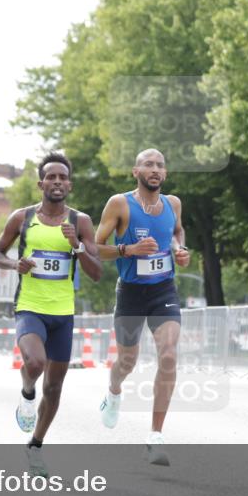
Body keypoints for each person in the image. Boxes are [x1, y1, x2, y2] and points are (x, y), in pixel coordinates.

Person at [0, 152, 102, 476]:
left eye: (62, 177)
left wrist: (78, 247)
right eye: (50, 177)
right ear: (41, 183)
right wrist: (15, 264)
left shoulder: (80, 222)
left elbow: (96, 273)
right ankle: (27, 391)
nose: (57, 182)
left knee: (54, 388)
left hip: (63, 313)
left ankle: (36, 445)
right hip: (29, 307)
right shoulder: (22, 218)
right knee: (35, 363)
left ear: (69, 184)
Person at [94, 148, 191, 466]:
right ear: (136, 171)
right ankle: (113, 391)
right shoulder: (120, 204)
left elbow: (177, 231)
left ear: (165, 173)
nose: (155, 169)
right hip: (131, 293)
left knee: (168, 354)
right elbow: (96, 247)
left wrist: (180, 249)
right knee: (127, 361)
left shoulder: (172, 204)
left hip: (163, 289)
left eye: (160, 165)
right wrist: (128, 249)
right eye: (148, 164)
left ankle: (155, 435)